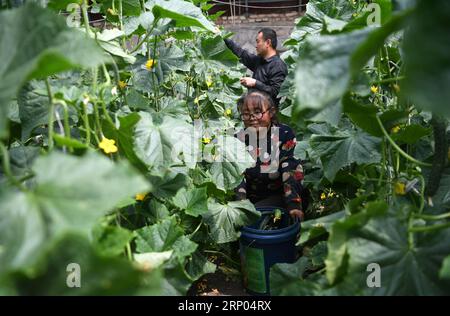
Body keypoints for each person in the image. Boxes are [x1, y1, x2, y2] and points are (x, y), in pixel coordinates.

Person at [234, 91, 306, 220]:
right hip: (249, 200)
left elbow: (290, 168)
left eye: (257, 112)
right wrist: (241, 206)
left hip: (282, 196)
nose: (251, 118)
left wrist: (293, 204)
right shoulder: (238, 139)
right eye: (246, 114)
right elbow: (237, 176)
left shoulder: (284, 133)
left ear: (271, 112)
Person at [223, 28, 288, 108]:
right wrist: (223, 37)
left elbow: (276, 93)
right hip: (255, 111)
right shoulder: (259, 61)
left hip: (268, 115)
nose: (256, 46)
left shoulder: (278, 65)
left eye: (258, 41)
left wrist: (255, 83)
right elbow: (242, 53)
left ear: (268, 43)